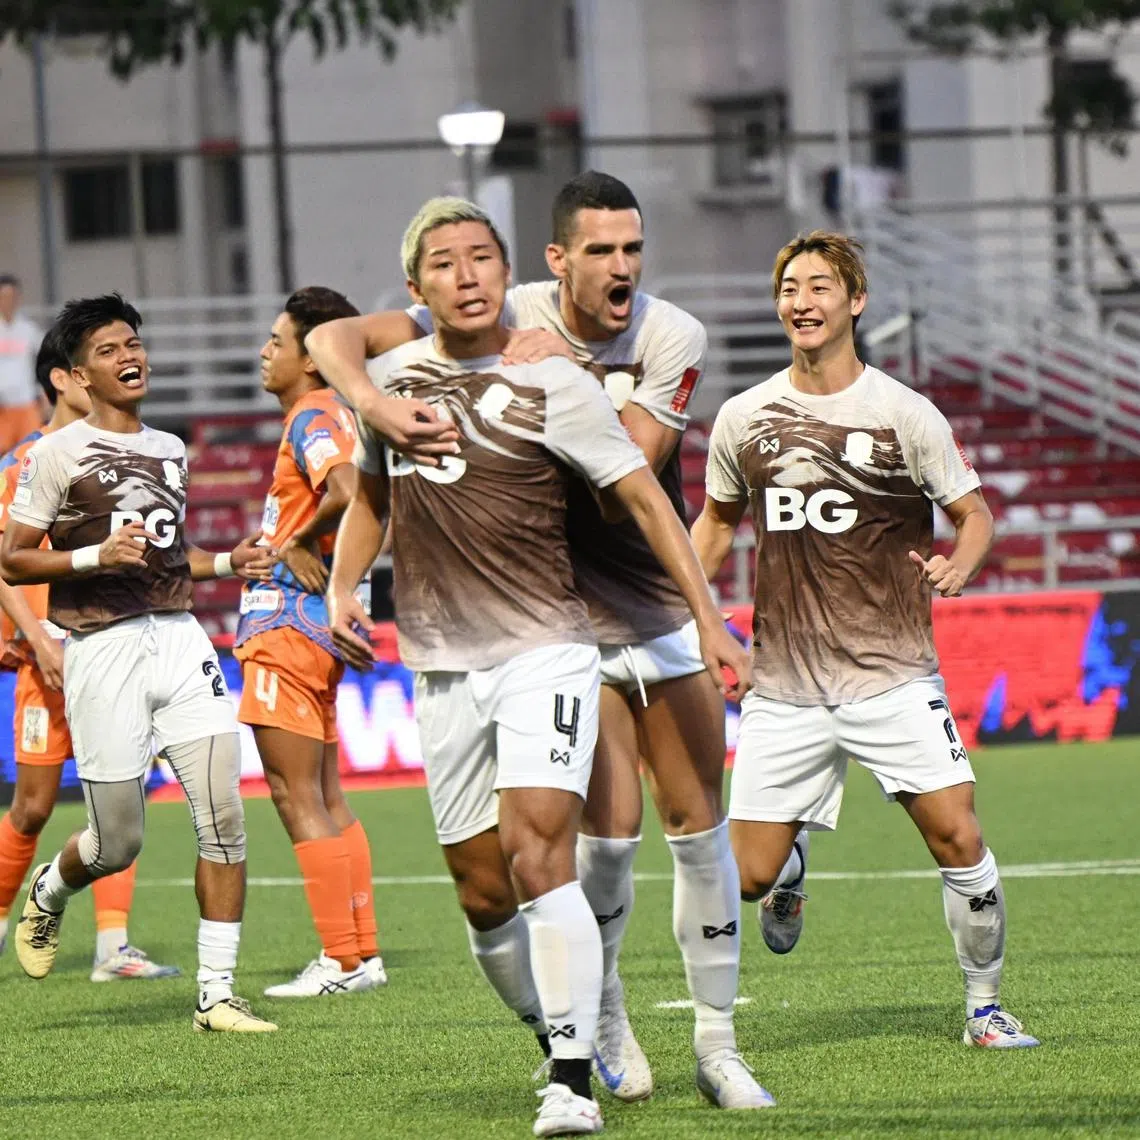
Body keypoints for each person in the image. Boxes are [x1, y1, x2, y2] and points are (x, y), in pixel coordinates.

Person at [305, 171, 769, 1109]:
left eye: (631, 248)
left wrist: (713, 619)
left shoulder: (639, 344)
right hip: (460, 651)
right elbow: (334, 352)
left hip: (596, 618)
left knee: (657, 836)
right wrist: (372, 412)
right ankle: (590, 1019)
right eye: (600, 249)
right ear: (553, 264)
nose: (621, 266)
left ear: (507, 271)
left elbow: (631, 484)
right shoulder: (420, 365)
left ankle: (694, 1054)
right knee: (507, 884)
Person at [691, 230, 1039, 1050]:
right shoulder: (744, 419)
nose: (800, 302)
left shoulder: (902, 413)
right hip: (783, 684)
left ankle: (985, 1008)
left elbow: (975, 514)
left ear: (855, 301)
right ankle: (792, 873)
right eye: (788, 288)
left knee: (959, 834)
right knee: (745, 878)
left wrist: (961, 561)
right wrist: (690, 616)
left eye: (818, 286)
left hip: (892, 675)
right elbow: (712, 526)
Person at [0, 293, 278, 1033]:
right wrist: (93, 554)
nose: (130, 356)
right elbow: (14, 557)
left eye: (134, 343)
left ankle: (216, 995)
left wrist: (228, 559)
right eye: (108, 349)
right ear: (78, 376)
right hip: (102, 649)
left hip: (182, 642)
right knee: (117, 842)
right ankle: (51, 893)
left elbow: (167, 558)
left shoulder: (168, 448)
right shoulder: (51, 455)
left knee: (222, 817)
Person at [0, 328, 178, 980]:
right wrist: (40, 637)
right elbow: (6, 561)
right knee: (34, 805)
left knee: (118, 799)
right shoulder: (27, 459)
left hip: (113, 653)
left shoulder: (122, 458)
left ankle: (112, 949)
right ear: (63, 380)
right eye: (92, 366)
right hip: (48, 661)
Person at [234, 286, 385, 998]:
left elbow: (351, 489)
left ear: (311, 356)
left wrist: (291, 540)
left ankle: (341, 960)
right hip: (312, 628)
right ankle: (362, 952)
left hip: (285, 628)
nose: (264, 353)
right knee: (326, 793)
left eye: (275, 341)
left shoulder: (314, 414)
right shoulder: (336, 413)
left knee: (296, 797)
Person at [0, 275, 45, 455]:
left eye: (11, 296)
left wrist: (43, 393)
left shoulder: (29, 329)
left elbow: (45, 360)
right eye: (3, 297)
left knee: (31, 451)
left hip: (26, 403)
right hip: (2, 405)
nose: (7, 302)